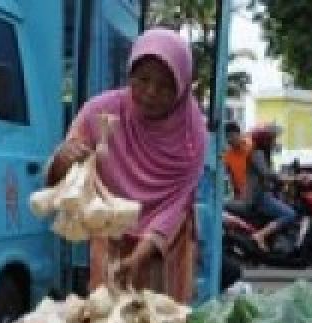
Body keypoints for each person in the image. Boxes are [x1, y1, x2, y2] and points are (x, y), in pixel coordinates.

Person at [47, 29, 206, 303]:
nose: (150, 92)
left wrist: (140, 256)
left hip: (163, 249)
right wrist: (62, 160)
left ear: (181, 88)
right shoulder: (99, 112)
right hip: (112, 239)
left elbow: (178, 204)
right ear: (129, 74)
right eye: (142, 79)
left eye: (165, 86)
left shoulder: (192, 132)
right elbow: (61, 183)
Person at [224, 124, 297, 251]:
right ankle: (260, 235)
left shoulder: (254, 151)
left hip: (257, 194)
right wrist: (294, 179)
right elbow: (267, 174)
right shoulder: (255, 153)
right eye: (272, 139)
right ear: (265, 141)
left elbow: (267, 175)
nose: (274, 142)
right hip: (257, 197)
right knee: (289, 214)